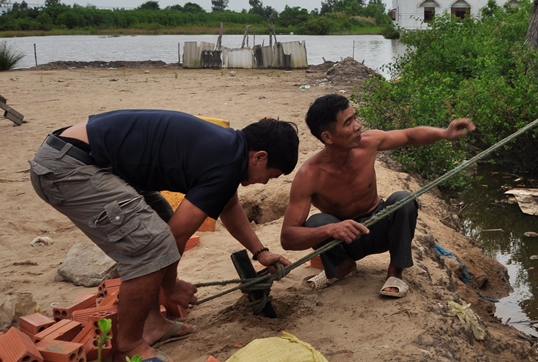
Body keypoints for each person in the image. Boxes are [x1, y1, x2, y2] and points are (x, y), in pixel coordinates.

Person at [29, 110, 299, 362]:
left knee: (157, 224)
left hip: (80, 157)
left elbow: (229, 206)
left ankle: (153, 324)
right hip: (67, 168)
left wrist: (260, 251)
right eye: (271, 176)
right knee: (154, 243)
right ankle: (131, 343)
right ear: (260, 157)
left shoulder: (228, 148)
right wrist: (170, 287)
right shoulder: (227, 163)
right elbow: (176, 235)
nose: (265, 183)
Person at [281, 94, 474, 297]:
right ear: (327, 137)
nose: (357, 126)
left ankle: (395, 273)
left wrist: (444, 133)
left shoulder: (368, 143)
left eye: (355, 118)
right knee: (316, 222)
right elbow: (288, 237)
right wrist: (331, 229)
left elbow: (409, 135)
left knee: (403, 200)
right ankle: (342, 267)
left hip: (380, 227)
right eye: (348, 123)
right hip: (347, 240)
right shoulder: (309, 175)